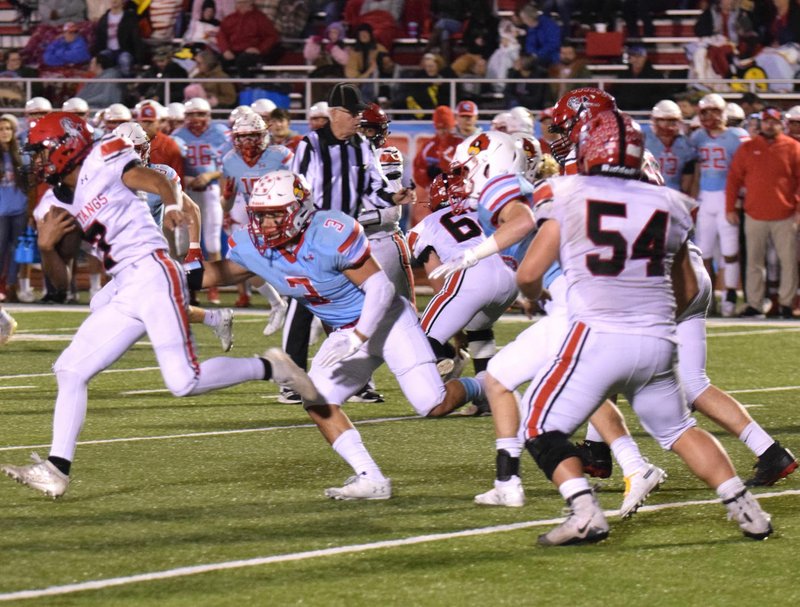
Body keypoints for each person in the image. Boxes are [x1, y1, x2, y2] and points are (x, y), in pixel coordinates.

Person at [0, 112, 318, 498]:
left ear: (65, 145)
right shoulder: (49, 203)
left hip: (153, 272)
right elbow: (62, 282)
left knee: (185, 381)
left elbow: (156, 178)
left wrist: (170, 206)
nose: (36, 161)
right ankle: (56, 469)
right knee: (69, 369)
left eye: (41, 151)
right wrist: (48, 246)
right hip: (124, 287)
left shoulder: (103, 156)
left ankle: (273, 367)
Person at [514, 109, 772, 545]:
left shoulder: (567, 192)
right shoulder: (667, 203)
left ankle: (584, 511)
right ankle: (747, 509)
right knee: (679, 430)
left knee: (537, 423)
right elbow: (686, 286)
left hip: (596, 334)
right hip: (656, 339)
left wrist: (536, 293)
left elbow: (527, 274)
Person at [200, 170, 487, 499]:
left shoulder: (328, 233)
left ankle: (487, 385)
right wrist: (166, 273)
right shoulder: (257, 246)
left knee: (432, 405)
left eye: (275, 215)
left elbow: (380, 286)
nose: (266, 225)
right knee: (317, 398)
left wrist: (360, 336)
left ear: (300, 210)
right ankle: (371, 478)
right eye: (261, 216)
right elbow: (215, 273)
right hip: (346, 331)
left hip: (386, 320)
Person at [287, 82, 416, 404]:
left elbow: (373, 186)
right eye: (353, 112)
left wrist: (393, 196)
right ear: (334, 114)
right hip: (314, 235)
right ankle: (291, 381)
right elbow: (295, 190)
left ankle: (355, 381)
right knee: (303, 305)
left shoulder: (360, 146)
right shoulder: (310, 145)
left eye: (360, 112)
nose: (359, 118)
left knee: (357, 307)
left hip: (348, 237)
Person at [409, 170, 518, 385]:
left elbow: (437, 277)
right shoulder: (485, 211)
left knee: (420, 338)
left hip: (471, 274)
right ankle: (486, 396)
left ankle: (444, 360)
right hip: (510, 277)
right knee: (479, 329)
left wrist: (452, 325)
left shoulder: (424, 226)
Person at [726, 107, 800, 319]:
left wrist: (798, 209)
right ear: (761, 124)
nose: (770, 125)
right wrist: (730, 207)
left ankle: (786, 303)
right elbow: (734, 179)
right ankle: (755, 304)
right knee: (754, 262)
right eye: (766, 121)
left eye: (774, 122)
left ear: (781, 124)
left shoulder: (793, 147)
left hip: (784, 214)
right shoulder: (748, 148)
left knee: (788, 262)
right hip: (754, 213)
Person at [220, 112, 291, 325]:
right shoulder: (230, 160)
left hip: (284, 217)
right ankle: (277, 303)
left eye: (252, 136)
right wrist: (226, 197)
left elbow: (300, 189)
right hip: (256, 219)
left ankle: (304, 307)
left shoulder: (281, 155)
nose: (247, 142)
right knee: (240, 259)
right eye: (242, 137)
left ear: (263, 135)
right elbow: (227, 205)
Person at [689, 92, 750, 317]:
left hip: (727, 197)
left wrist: (739, 200)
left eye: (714, 111)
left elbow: (745, 172)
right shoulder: (697, 138)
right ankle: (709, 298)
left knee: (730, 251)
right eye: (705, 112)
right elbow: (693, 170)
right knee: (703, 253)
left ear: (724, 112)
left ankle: (730, 297)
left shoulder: (737, 136)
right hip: (705, 198)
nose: (710, 116)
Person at [172, 97, 229, 304]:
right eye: (191, 114)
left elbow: (227, 164)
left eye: (200, 114)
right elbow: (174, 166)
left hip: (212, 190)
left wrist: (210, 175)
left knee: (212, 241)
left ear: (208, 115)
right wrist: (185, 178)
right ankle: (190, 288)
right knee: (186, 244)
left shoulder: (221, 133)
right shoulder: (177, 136)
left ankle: (213, 287)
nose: (196, 119)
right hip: (187, 191)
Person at [358, 103, 415, 305]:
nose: (363, 136)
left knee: (402, 310)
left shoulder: (386, 156)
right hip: (351, 245)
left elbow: (390, 214)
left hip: (383, 241)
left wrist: (350, 220)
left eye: (369, 130)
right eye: (360, 129)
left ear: (380, 132)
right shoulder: (342, 157)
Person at [0, 114, 27, 304]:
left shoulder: (20, 153)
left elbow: (29, 182)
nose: (5, 132)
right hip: (1, 211)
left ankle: (11, 287)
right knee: (1, 250)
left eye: (8, 129)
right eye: (1, 129)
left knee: (17, 251)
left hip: (20, 208)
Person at [217, 0, 281, 78]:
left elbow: (272, 36)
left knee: (243, 61)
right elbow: (221, 35)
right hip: (233, 51)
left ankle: (247, 83)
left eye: (242, 2)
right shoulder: (230, 18)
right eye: (238, 3)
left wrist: (259, 49)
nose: (239, 5)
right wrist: (225, 50)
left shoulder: (260, 18)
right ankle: (226, 85)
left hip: (251, 52)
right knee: (220, 61)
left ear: (250, 3)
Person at [644, 99, 696, 194]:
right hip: (648, 192)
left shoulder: (685, 144)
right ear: (655, 120)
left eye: (672, 120)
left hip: (674, 194)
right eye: (662, 120)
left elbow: (688, 177)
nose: (667, 125)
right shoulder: (644, 139)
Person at [412, 106, 463, 194]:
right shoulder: (429, 146)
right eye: (439, 129)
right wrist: (430, 185)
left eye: (445, 128)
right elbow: (418, 168)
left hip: (459, 192)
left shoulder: (461, 144)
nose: (442, 132)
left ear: (452, 126)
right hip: (436, 194)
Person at [91, 0, 145, 77]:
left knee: (124, 59)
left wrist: (139, 59)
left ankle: (125, 85)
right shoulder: (104, 19)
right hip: (108, 51)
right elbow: (99, 40)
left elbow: (136, 39)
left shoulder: (130, 18)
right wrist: (96, 55)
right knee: (101, 59)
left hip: (125, 50)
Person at [611, 45, 666, 112]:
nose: (637, 59)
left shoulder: (655, 75)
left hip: (647, 110)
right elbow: (615, 91)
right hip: (626, 109)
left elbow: (660, 93)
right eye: (634, 56)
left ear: (645, 58)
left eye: (639, 56)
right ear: (630, 58)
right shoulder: (623, 74)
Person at [519, 3, 561, 67]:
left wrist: (537, 54)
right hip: (536, 56)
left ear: (529, 18)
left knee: (533, 65)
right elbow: (529, 43)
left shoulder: (549, 25)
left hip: (551, 55)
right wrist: (532, 53)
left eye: (524, 19)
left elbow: (554, 44)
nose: (523, 21)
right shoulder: (531, 27)